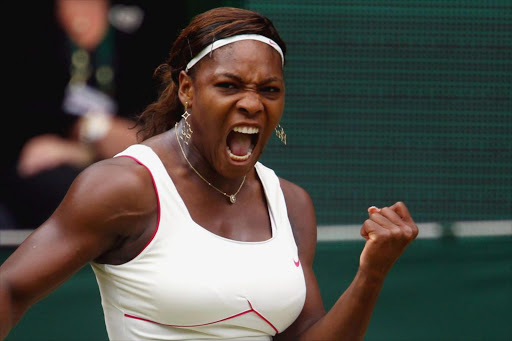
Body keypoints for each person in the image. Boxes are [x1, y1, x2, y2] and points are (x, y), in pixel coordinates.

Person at [0, 7, 419, 341]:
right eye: (229, 85)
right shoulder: (126, 186)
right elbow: (11, 289)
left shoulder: (290, 204)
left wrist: (372, 273)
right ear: (187, 88)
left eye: (269, 89)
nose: (252, 104)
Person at [1, 0, 187, 229]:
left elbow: (164, 133)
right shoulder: (18, 16)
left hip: (128, 157)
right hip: (33, 168)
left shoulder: (155, 15)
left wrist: (88, 140)